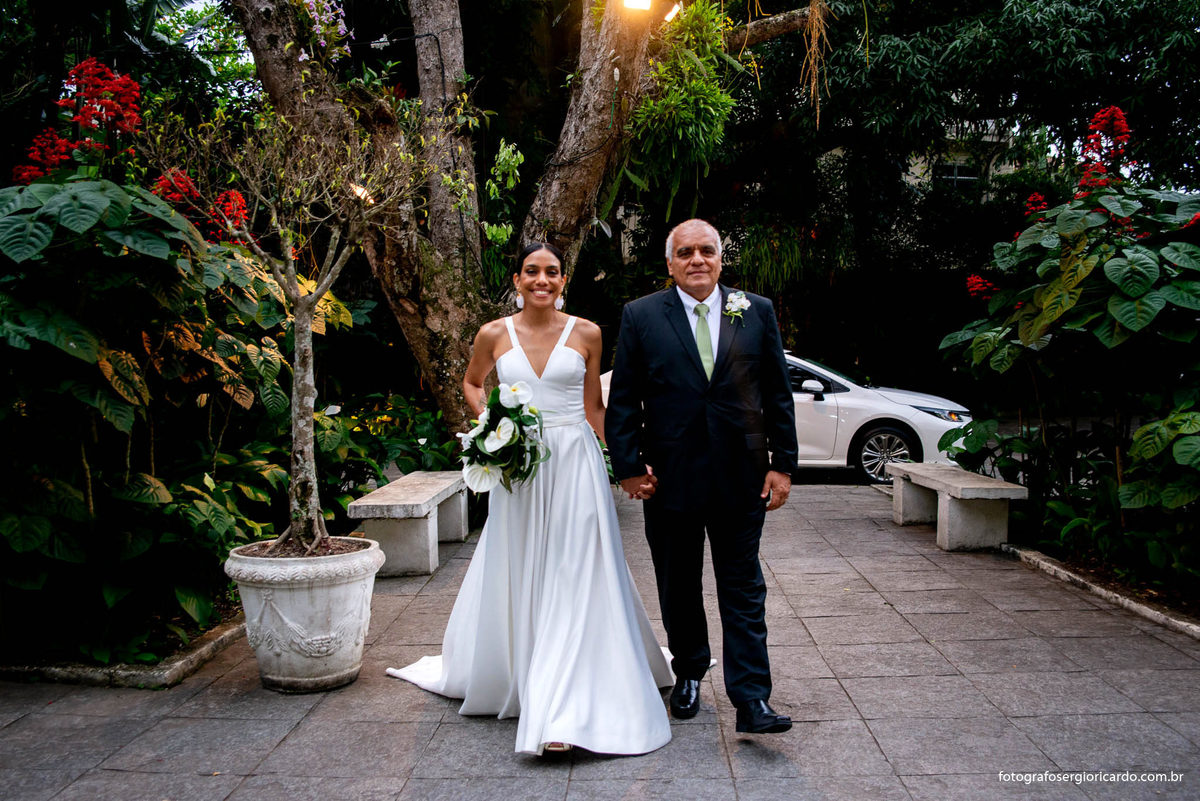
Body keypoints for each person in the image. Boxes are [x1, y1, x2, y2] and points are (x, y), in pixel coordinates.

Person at [387, 243, 672, 756]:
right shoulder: (493, 334)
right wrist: (494, 425)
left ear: (564, 280)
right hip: (520, 470)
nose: (543, 280)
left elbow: (594, 409)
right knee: (521, 562)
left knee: (576, 568)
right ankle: (522, 668)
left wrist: (630, 462)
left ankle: (562, 707)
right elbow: (473, 384)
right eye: (532, 272)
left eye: (553, 272)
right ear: (517, 279)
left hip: (576, 464)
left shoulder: (586, 333)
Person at [604, 219, 798, 734]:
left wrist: (783, 465)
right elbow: (623, 398)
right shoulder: (641, 316)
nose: (697, 260)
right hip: (670, 480)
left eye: (706, 251)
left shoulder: (756, 311)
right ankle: (689, 671)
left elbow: (777, 394)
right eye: (685, 252)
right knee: (678, 584)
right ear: (669, 264)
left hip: (742, 478)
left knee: (743, 589)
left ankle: (752, 699)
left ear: (720, 258)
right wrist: (626, 467)